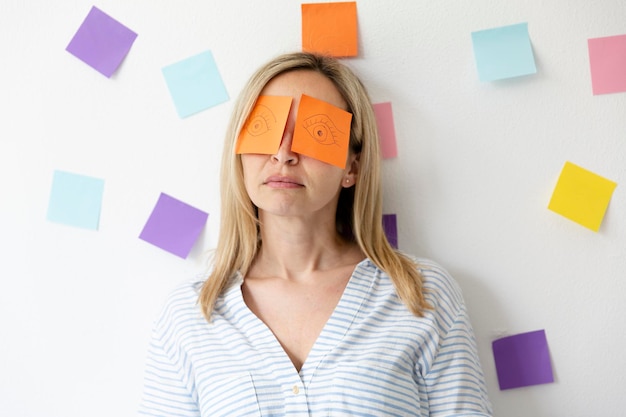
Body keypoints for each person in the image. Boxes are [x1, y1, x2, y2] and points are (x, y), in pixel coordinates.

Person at [139, 52, 492, 416]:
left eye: (316, 132)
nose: (283, 153)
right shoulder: (189, 315)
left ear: (351, 167)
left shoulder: (421, 295)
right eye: (265, 127)